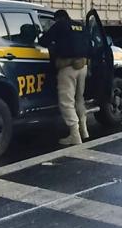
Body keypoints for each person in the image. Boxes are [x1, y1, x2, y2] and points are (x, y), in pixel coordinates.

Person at [38, 10, 90, 145]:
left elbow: (43, 41)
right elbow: (90, 45)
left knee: (66, 102)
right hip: (83, 66)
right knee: (79, 99)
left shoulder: (60, 25)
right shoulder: (80, 26)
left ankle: (75, 135)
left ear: (58, 18)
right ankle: (84, 131)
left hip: (68, 67)